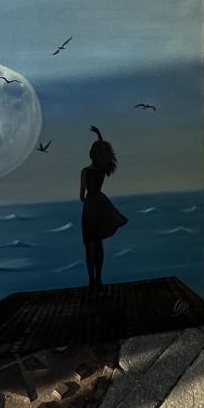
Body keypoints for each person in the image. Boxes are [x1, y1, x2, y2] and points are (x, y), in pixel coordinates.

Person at [80, 125, 129, 292]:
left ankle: (91, 280)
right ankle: (99, 279)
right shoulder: (102, 170)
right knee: (99, 244)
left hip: (89, 207)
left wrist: (87, 201)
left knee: (89, 246)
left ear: (91, 154)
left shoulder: (85, 171)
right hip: (100, 204)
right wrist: (99, 134)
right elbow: (104, 152)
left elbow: (81, 196)